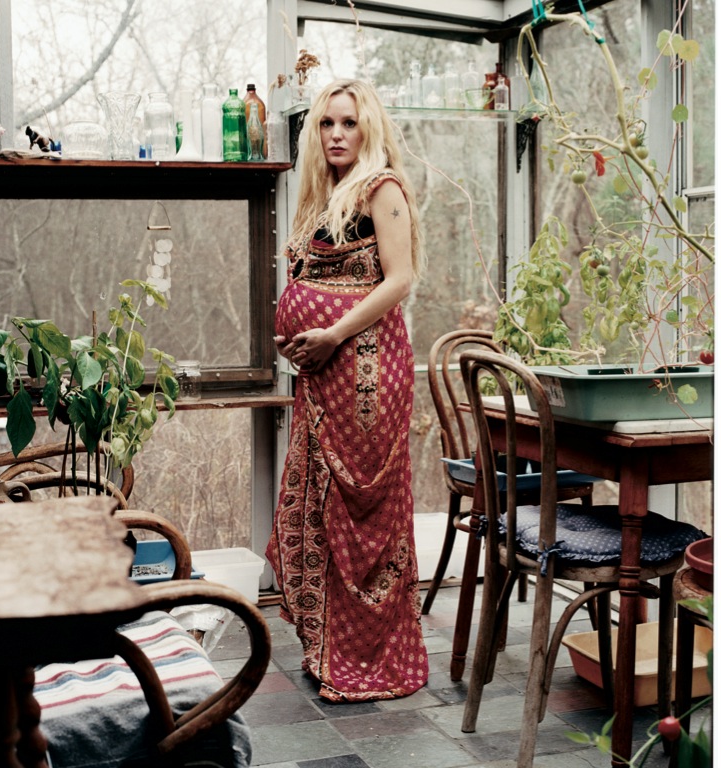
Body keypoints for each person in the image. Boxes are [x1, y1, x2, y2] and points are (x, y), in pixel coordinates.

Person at [266, 79, 429, 702]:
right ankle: (328, 648)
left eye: (349, 123)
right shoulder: (324, 195)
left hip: (368, 376)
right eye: (327, 123)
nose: (337, 134)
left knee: (363, 516)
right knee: (323, 506)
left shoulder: (381, 188)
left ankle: (372, 659)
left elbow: (399, 280)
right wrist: (299, 341)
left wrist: (331, 333)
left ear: (369, 129)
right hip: (324, 376)